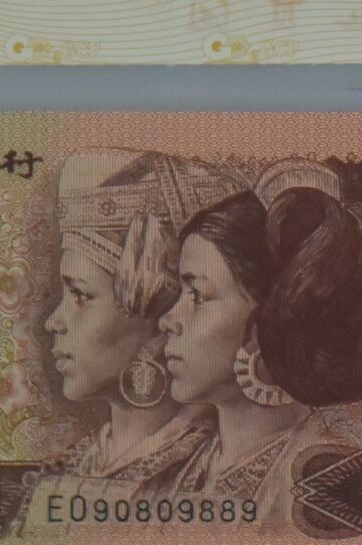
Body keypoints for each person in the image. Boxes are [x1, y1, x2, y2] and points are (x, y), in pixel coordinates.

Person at [158, 159, 362, 527]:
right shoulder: (172, 472)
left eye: (198, 296)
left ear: (271, 320)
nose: (167, 320)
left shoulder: (329, 487)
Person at [37, 150, 241, 498]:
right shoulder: (75, 465)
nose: (53, 323)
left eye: (81, 295)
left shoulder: (211, 477)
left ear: (160, 317)